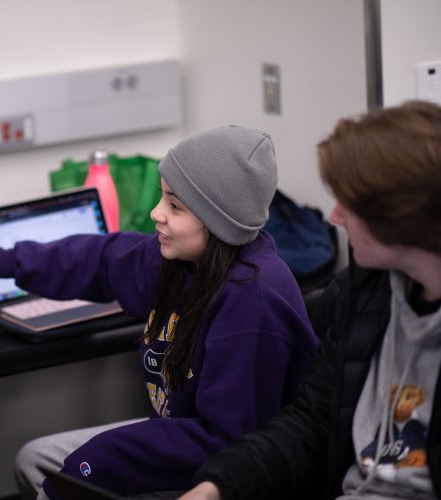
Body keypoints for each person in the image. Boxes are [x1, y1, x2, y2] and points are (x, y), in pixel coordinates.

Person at [0, 125, 319, 499]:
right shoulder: (182, 260)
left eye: (175, 206)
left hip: (224, 474)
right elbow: (99, 260)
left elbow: (226, 440)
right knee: (35, 459)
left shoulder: (251, 304)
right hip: (184, 440)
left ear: (218, 219)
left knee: (74, 473)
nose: (156, 213)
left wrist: (100, 459)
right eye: (162, 197)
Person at [179, 100, 441, 500]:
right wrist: (217, 486)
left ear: (404, 215)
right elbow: (312, 423)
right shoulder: (362, 291)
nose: (334, 216)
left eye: (349, 204)